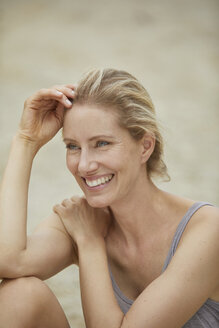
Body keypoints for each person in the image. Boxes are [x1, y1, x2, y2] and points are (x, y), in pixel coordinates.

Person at [0, 68, 218, 328]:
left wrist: (90, 243)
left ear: (145, 147)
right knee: (20, 294)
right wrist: (26, 141)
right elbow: (9, 260)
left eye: (101, 143)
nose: (84, 166)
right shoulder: (79, 220)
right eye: (73, 146)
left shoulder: (207, 229)